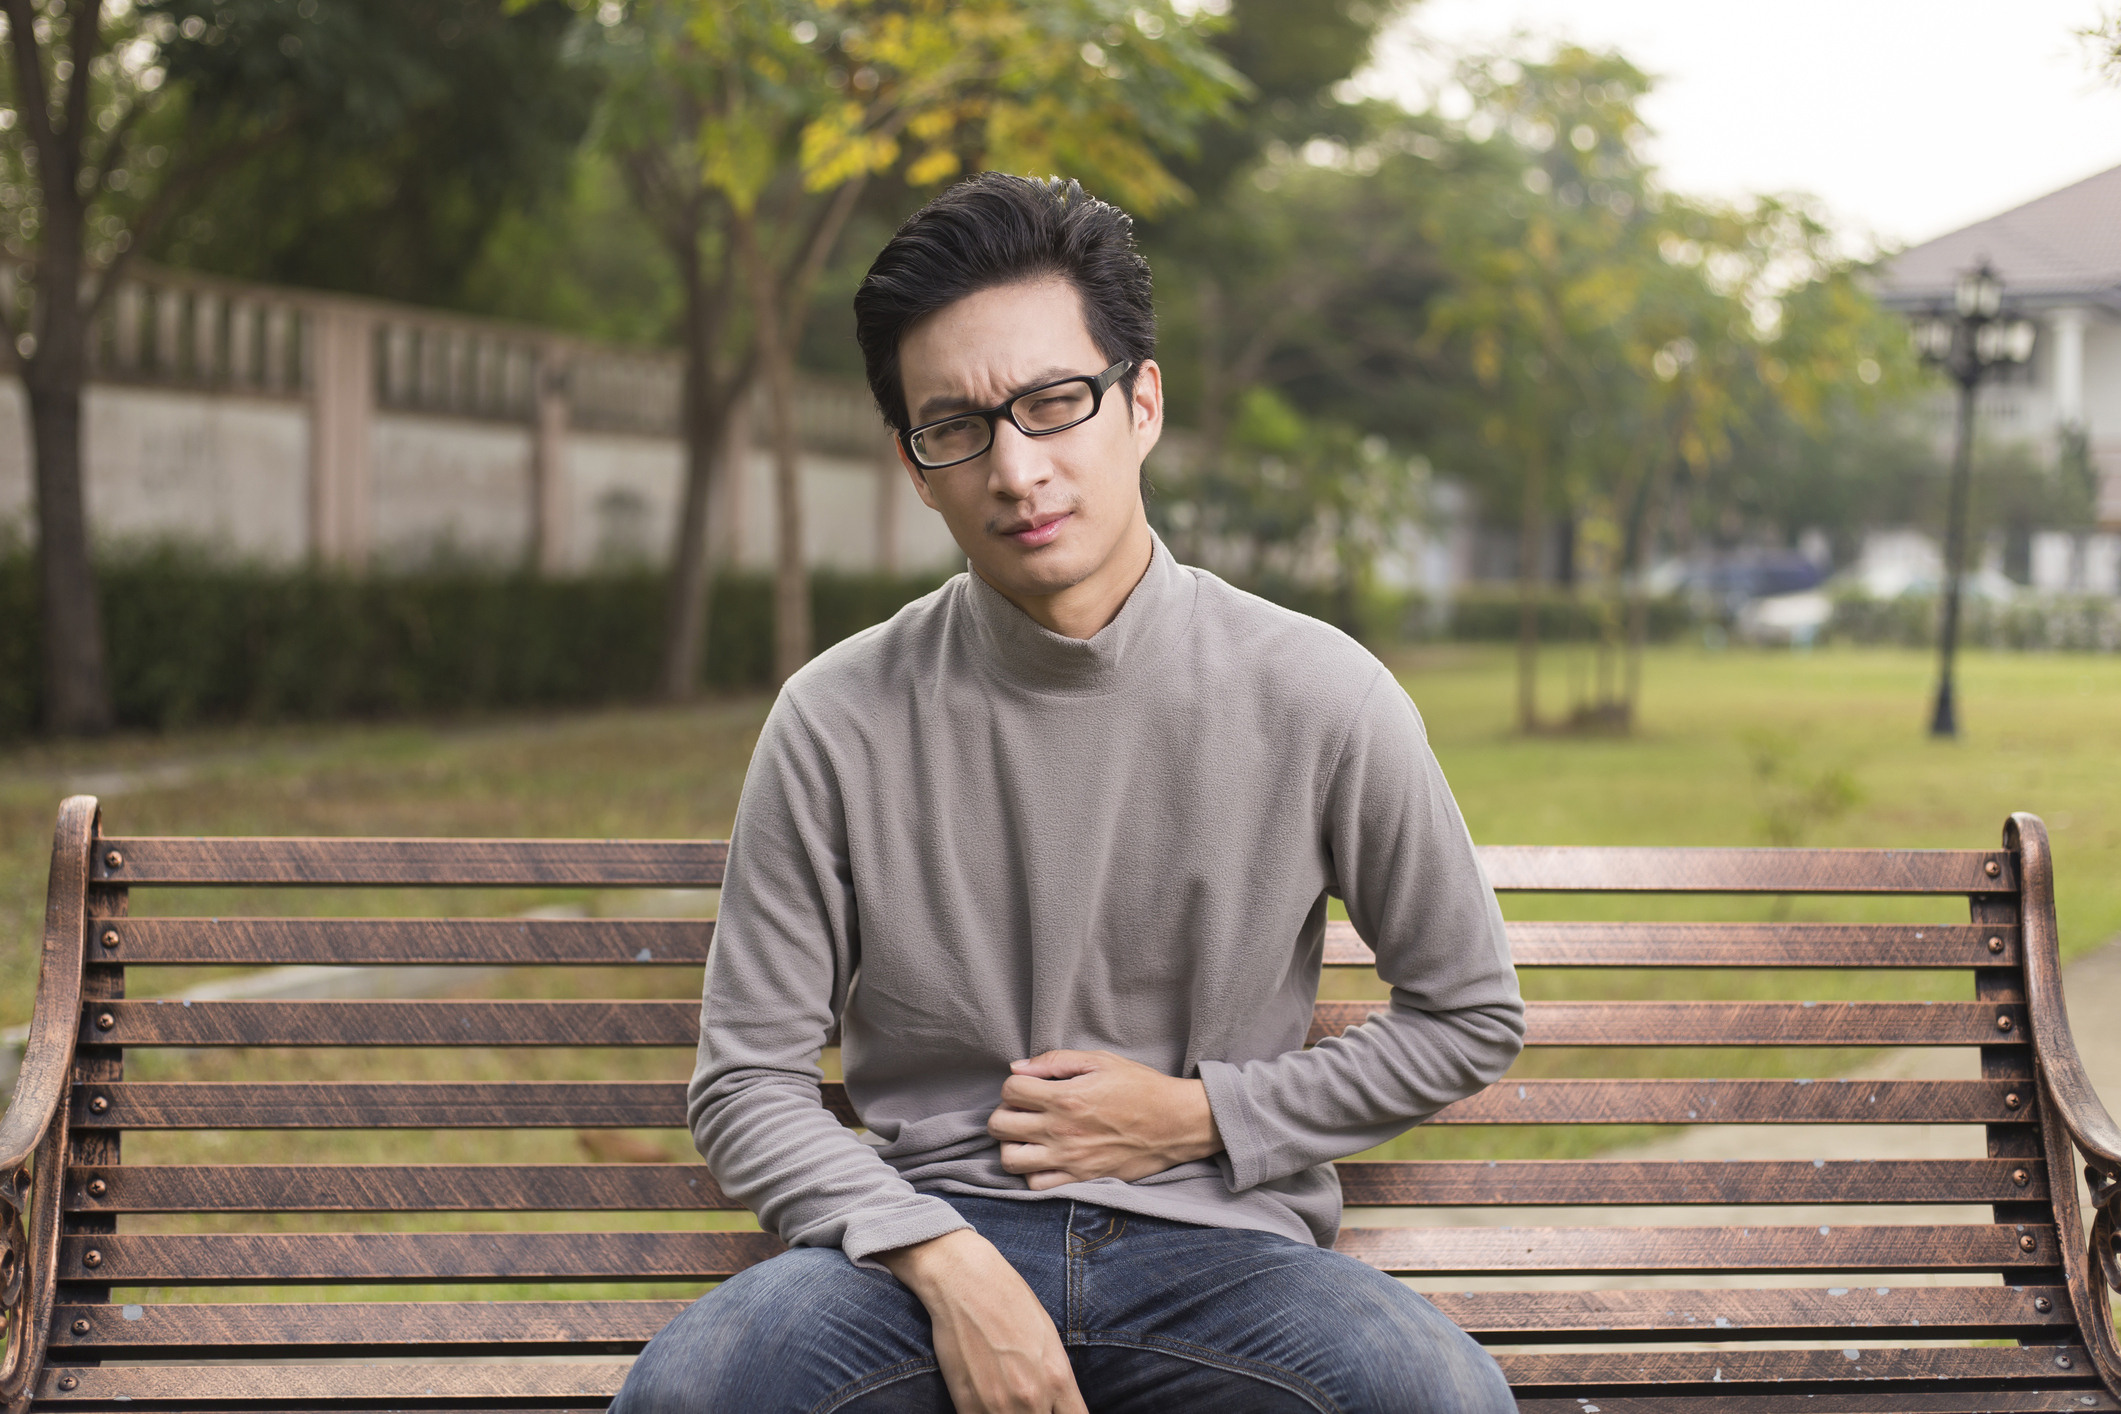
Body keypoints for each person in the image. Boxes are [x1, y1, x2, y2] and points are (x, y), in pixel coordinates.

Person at [611, 174, 1525, 1414]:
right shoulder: (835, 715)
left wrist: (1204, 1117)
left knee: (1435, 1398)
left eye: (1055, 403)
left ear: (1140, 402)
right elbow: (745, 1083)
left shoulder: (1319, 690)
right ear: (916, 467)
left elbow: (1468, 1013)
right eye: (959, 427)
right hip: (914, 1249)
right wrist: (938, 1258)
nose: (1017, 467)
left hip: (1230, 1260)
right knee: (701, 1390)